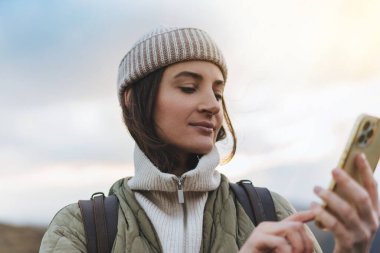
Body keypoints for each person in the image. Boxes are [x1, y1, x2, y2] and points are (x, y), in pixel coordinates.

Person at [39, 27, 379, 253]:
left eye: (218, 92)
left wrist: (351, 250)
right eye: (188, 87)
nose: (212, 105)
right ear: (132, 100)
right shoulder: (79, 230)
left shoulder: (270, 213)